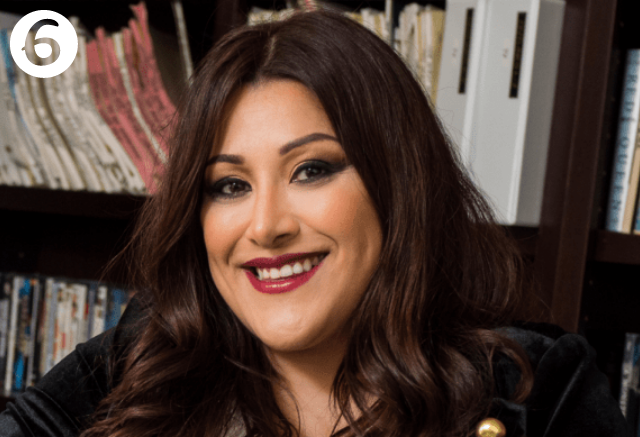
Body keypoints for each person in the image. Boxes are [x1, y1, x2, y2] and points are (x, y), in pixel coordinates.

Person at [0, 8, 628, 437]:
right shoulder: (140, 364)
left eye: (311, 170)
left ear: (397, 188)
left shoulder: (533, 391)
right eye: (230, 185)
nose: (266, 225)